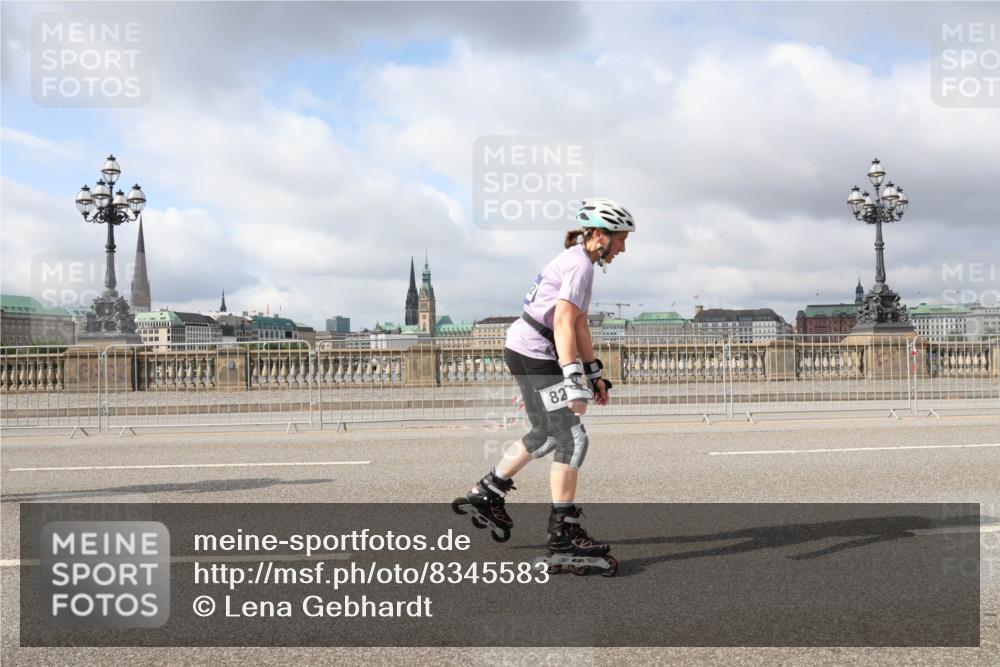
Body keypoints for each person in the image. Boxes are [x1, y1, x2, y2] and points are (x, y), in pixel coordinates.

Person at [452, 198, 634, 574]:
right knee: (572, 439)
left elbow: (580, 325)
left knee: (547, 433)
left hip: (523, 350)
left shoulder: (578, 260)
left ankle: (490, 490)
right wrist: (573, 379)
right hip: (537, 357)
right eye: (620, 239)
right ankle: (562, 534)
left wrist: (595, 373)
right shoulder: (580, 266)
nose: (623, 247)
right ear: (600, 235)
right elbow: (565, 324)